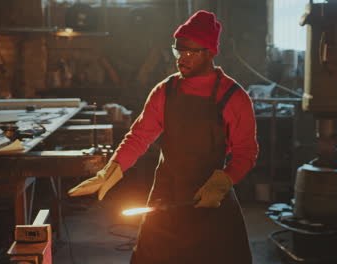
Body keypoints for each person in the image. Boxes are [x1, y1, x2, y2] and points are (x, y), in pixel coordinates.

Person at [68, 10, 258, 264]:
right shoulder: (165, 91)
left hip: (211, 200)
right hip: (166, 198)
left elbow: (246, 152)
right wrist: (112, 169)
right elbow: (139, 136)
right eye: (178, 51)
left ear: (210, 52)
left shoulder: (233, 96)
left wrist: (224, 180)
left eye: (190, 52)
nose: (181, 58)